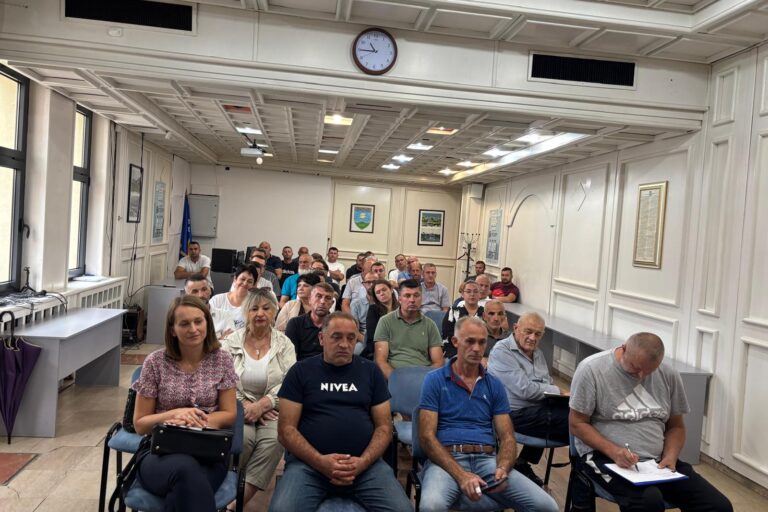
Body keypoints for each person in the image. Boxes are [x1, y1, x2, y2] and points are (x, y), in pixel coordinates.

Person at [569, 332, 733, 512]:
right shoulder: (592, 369)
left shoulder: (668, 374)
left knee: (719, 506)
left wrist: (670, 456)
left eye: (649, 371)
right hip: (603, 458)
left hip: (656, 463)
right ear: (624, 349)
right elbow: (577, 424)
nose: (641, 376)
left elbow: (676, 426)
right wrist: (614, 452)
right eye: (635, 368)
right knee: (648, 501)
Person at [268, 312, 412, 512]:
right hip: (308, 466)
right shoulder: (300, 372)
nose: (344, 344)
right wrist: (320, 462)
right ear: (321, 338)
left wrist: (362, 463)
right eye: (336, 337)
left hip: (366, 467)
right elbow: (286, 431)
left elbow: (384, 428)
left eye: (351, 338)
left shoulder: (371, 372)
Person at [417, 316, 559, 512]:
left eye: (482, 342)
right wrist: (461, 475)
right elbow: (426, 437)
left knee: (547, 506)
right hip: (446, 460)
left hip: (487, 460)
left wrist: (503, 467)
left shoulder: (494, 384)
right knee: (432, 506)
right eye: (470, 341)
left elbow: (507, 437)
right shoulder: (434, 380)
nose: (477, 348)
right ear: (455, 342)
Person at [131, 295, 237, 512]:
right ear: (172, 330)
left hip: (207, 452)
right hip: (159, 452)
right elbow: (140, 424)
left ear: (207, 323)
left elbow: (229, 414)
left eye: (198, 321)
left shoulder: (222, 360)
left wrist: (195, 421)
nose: (193, 329)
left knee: (186, 488)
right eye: (184, 323)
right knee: (186, 474)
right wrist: (174, 415)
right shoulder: (155, 362)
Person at [221, 289, 296, 509]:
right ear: (245, 312)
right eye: (254, 308)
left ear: (274, 311)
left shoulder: (285, 344)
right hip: (237, 406)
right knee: (243, 440)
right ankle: (221, 491)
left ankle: (233, 506)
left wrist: (265, 404)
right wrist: (244, 405)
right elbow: (223, 379)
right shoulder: (230, 342)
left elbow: (290, 381)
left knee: (274, 441)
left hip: (272, 408)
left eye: (266, 308)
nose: (260, 313)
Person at [487, 312, 568, 486]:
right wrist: (559, 392)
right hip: (511, 415)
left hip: (537, 409)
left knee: (577, 414)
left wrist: (554, 392)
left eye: (538, 334)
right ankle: (584, 475)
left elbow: (546, 382)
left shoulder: (537, 353)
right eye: (528, 331)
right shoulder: (502, 351)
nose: (532, 338)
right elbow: (525, 389)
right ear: (516, 328)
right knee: (574, 421)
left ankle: (522, 462)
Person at [373, 279, 443, 379]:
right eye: (407, 295)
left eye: (416, 295)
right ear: (399, 299)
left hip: (423, 376)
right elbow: (380, 360)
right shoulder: (385, 321)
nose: (412, 300)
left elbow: (438, 362)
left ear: (421, 298)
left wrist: (425, 381)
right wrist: (396, 381)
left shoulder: (430, 324)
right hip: (394, 375)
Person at [285, 282, 335, 360]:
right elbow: (290, 357)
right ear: (309, 300)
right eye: (318, 296)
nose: (322, 301)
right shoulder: (295, 324)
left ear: (332, 303)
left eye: (328, 298)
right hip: (301, 366)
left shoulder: (337, 325)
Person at [209, 264, 258, 331]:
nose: (245, 283)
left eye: (250, 281)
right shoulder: (217, 300)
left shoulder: (255, 304)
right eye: (242, 279)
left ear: (253, 285)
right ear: (235, 279)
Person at [442, 280, 484, 358]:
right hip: (455, 349)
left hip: (479, 350)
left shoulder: (485, 312)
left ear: (480, 295)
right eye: (468, 291)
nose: (472, 294)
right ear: (462, 294)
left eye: (475, 291)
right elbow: (446, 334)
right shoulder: (453, 311)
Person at [185, 274, 234, 338]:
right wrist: (220, 339)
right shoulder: (181, 319)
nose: (200, 295)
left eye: (204, 289)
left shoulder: (225, 315)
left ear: (210, 290)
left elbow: (232, 341)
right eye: (195, 291)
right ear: (187, 296)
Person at [364, 279, 397, 360]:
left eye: (384, 290)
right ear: (376, 296)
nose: (382, 293)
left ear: (391, 289)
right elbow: (373, 335)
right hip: (378, 347)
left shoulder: (401, 308)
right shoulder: (373, 309)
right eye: (378, 292)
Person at [350, 271, 377, 345]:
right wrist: (368, 343)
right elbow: (354, 330)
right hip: (363, 339)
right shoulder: (355, 304)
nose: (371, 285)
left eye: (374, 282)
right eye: (368, 282)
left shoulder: (384, 302)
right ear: (363, 284)